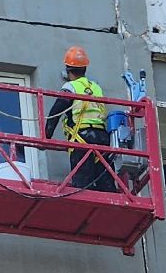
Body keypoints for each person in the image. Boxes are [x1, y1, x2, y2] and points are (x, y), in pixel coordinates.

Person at [44, 46, 114, 192]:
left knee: (82, 185)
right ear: (85, 69)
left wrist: (46, 137)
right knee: (105, 183)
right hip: (103, 139)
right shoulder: (96, 88)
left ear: (68, 69)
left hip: (83, 138)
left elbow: (56, 112)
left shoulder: (70, 87)